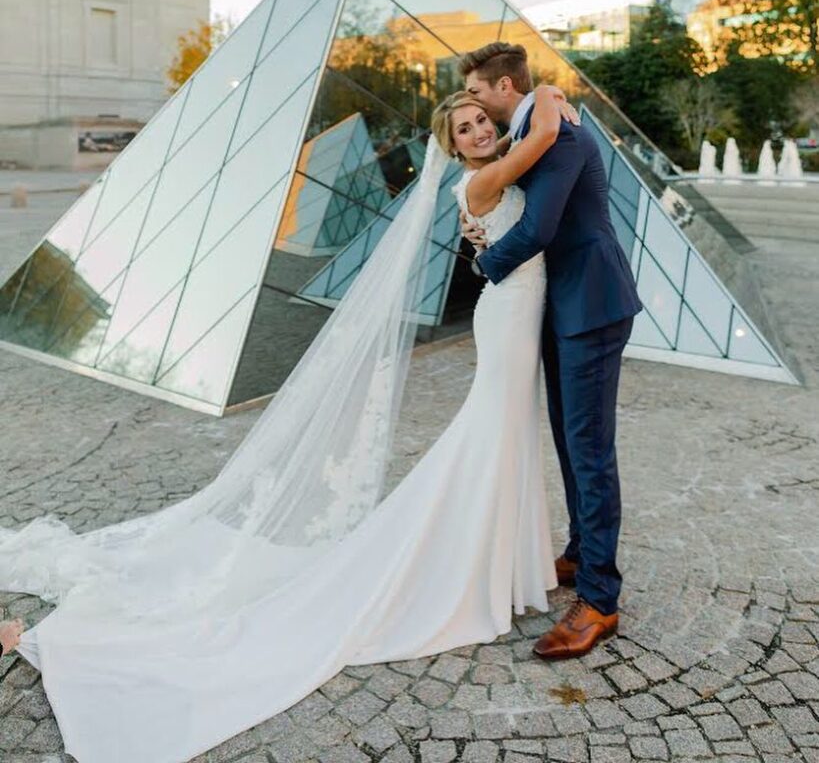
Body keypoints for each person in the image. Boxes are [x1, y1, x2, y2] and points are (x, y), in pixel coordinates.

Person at [0, 86, 578, 763]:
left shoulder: (488, 171)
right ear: (450, 145)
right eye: (466, 127)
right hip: (507, 320)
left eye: (483, 121)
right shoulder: (480, 179)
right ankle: (470, 569)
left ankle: (500, 565)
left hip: (516, 312)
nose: (479, 131)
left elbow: (526, 158)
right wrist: (549, 96)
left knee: (504, 438)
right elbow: (537, 142)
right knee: (490, 437)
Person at [460, 41, 642, 659]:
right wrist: (549, 95)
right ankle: (580, 554)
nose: (476, 107)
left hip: (590, 305)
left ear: (505, 88)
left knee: (590, 451)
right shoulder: (537, 124)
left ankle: (599, 600)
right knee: (571, 441)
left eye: (480, 94)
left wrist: (485, 263)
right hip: (563, 308)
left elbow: (538, 229)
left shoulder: (556, 136)